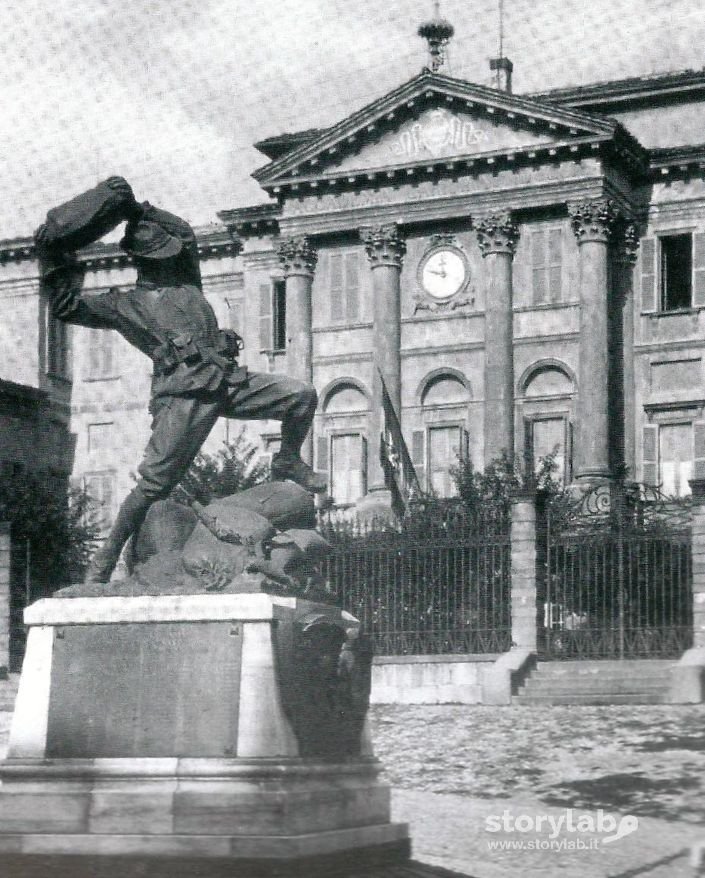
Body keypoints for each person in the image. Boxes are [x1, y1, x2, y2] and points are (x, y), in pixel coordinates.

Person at [35, 176, 326, 584]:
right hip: (183, 396)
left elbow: (185, 236)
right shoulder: (126, 304)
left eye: (172, 251)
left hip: (227, 381)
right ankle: (106, 558)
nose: (174, 256)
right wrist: (51, 257)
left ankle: (288, 458)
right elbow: (66, 305)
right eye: (163, 254)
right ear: (144, 259)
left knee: (300, 396)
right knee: (154, 485)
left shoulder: (186, 277)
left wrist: (138, 209)